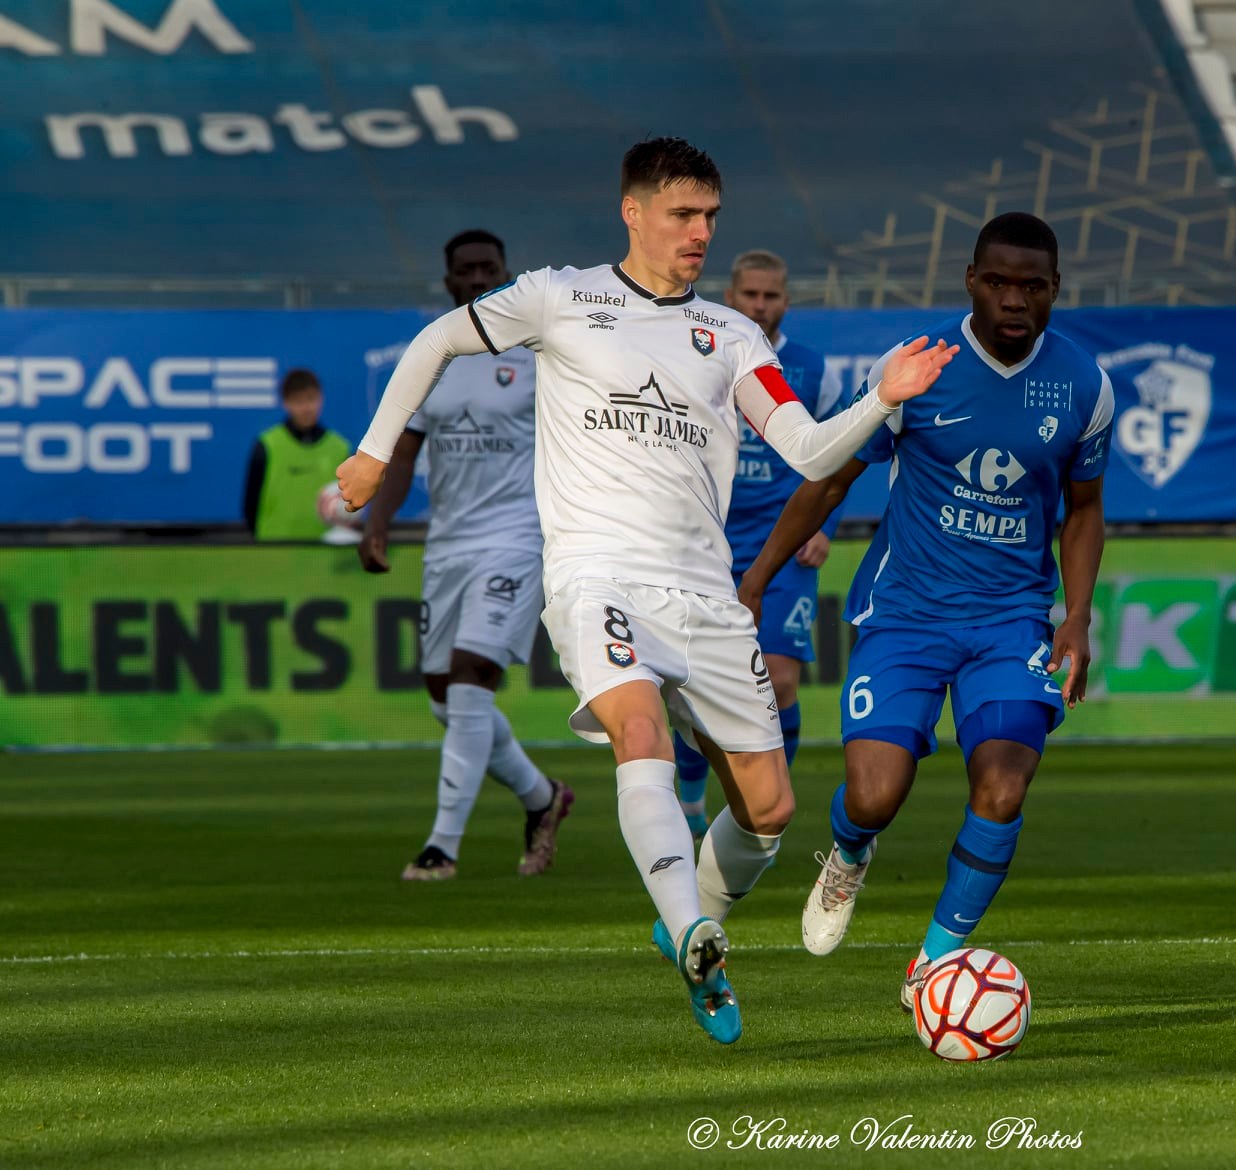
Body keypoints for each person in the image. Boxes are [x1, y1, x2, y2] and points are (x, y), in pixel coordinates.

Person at [334, 137, 956, 1044]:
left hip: (704, 595)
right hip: (595, 573)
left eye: (710, 217)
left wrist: (880, 397)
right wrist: (373, 450)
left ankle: (692, 929)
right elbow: (437, 338)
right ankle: (688, 923)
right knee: (639, 728)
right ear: (634, 213)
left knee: (769, 812)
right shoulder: (559, 296)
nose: (700, 233)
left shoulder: (733, 336)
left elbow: (808, 452)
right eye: (682, 215)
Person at [736, 212, 1113, 1009]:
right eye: (999, 283)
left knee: (1004, 786)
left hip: (1012, 620)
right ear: (971, 281)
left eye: (1032, 287)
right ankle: (846, 855)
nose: (1015, 300)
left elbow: (1083, 509)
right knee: (873, 796)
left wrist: (1074, 615)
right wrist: (760, 576)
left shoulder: (1085, 384)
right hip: (904, 612)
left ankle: (935, 962)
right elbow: (831, 475)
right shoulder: (916, 368)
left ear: (1054, 291)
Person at [356, 229, 573, 883]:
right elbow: (403, 449)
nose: (479, 278)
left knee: (471, 680)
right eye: (466, 271)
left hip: (517, 537)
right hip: (447, 544)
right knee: (444, 697)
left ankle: (441, 847)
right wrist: (378, 523)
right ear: (449, 282)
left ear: (507, 274)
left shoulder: (541, 354)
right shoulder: (435, 354)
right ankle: (543, 798)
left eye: (490, 268)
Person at [671, 249, 848, 838]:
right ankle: (692, 798)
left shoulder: (815, 370)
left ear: (786, 301)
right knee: (695, 683)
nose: (760, 306)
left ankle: (758, 811)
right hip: (704, 543)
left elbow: (836, 456)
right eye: (750, 295)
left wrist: (824, 525)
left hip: (784, 542)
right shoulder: (698, 352)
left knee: (779, 679)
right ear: (732, 296)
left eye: (771, 296)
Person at [242, 369, 351, 541]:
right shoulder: (267, 445)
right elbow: (250, 505)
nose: (306, 408)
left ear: (321, 398)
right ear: (286, 403)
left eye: (311, 399)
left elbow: (353, 502)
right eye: (298, 401)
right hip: (275, 548)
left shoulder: (340, 447)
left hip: (325, 549)